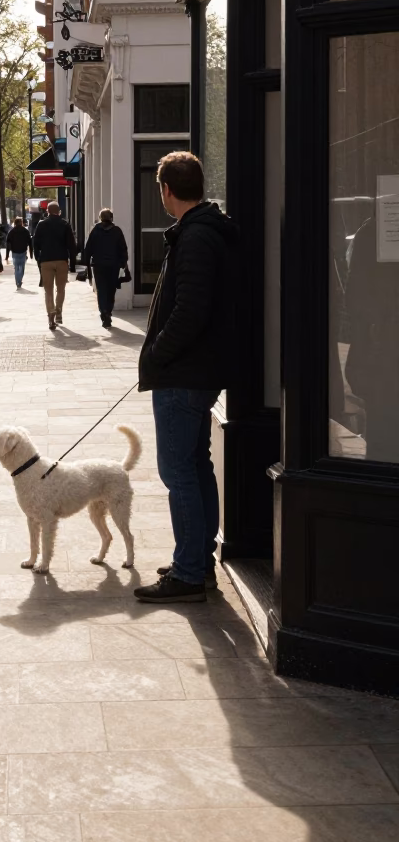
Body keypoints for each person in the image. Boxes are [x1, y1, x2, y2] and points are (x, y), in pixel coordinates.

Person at [134, 152, 238, 605]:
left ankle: (190, 571)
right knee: (196, 468)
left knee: (178, 472)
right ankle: (196, 560)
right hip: (197, 370)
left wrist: (157, 353)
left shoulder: (195, 237)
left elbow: (190, 310)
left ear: (167, 191)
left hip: (184, 373)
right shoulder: (203, 231)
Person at [32, 200, 77, 330]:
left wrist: (38, 259)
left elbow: (35, 243)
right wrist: (72, 263)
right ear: (59, 212)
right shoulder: (65, 225)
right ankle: (58, 312)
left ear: (47, 211)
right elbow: (71, 245)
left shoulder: (41, 224)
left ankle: (51, 314)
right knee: (61, 289)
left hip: (46, 261)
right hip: (62, 260)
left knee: (48, 290)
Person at [82, 209, 129, 328]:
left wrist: (87, 263)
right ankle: (108, 311)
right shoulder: (117, 231)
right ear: (111, 218)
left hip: (98, 265)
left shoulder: (95, 231)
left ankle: (104, 312)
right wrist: (123, 263)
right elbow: (123, 249)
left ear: (100, 218)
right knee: (111, 290)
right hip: (113, 265)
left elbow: (88, 248)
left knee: (101, 290)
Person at [5, 216, 33, 289]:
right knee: (22, 268)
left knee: (16, 267)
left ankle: (18, 281)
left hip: (14, 252)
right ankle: (19, 280)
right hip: (23, 252)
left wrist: (7, 255)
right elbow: (30, 242)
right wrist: (31, 253)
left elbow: (8, 243)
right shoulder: (25, 231)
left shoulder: (11, 232)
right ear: (21, 223)